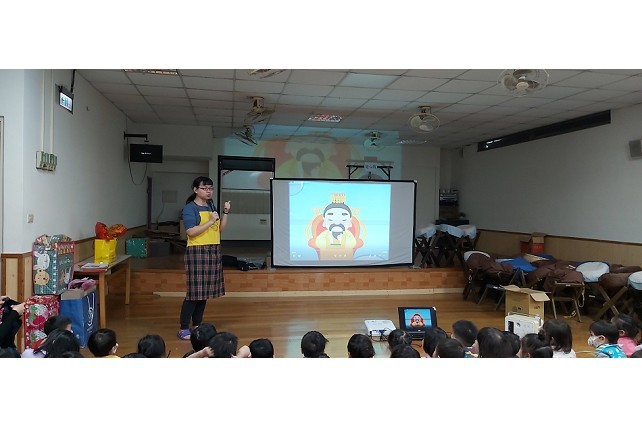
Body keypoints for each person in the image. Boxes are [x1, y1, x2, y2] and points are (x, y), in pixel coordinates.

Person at [178, 176, 231, 341]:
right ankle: (184, 328)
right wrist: (210, 221)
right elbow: (191, 232)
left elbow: (220, 229)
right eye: (204, 188)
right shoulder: (190, 208)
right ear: (195, 190)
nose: (208, 191)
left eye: (210, 188)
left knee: (204, 293)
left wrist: (225, 212)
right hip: (197, 251)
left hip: (213, 250)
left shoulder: (211, 205)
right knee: (194, 293)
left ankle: (197, 325)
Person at [313, 193, 358, 260]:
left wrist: (342, 240)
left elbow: (353, 243)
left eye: (343, 220)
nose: (337, 223)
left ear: (350, 222)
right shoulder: (324, 235)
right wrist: (327, 242)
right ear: (324, 222)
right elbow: (318, 242)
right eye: (330, 220)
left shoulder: (348, 235)